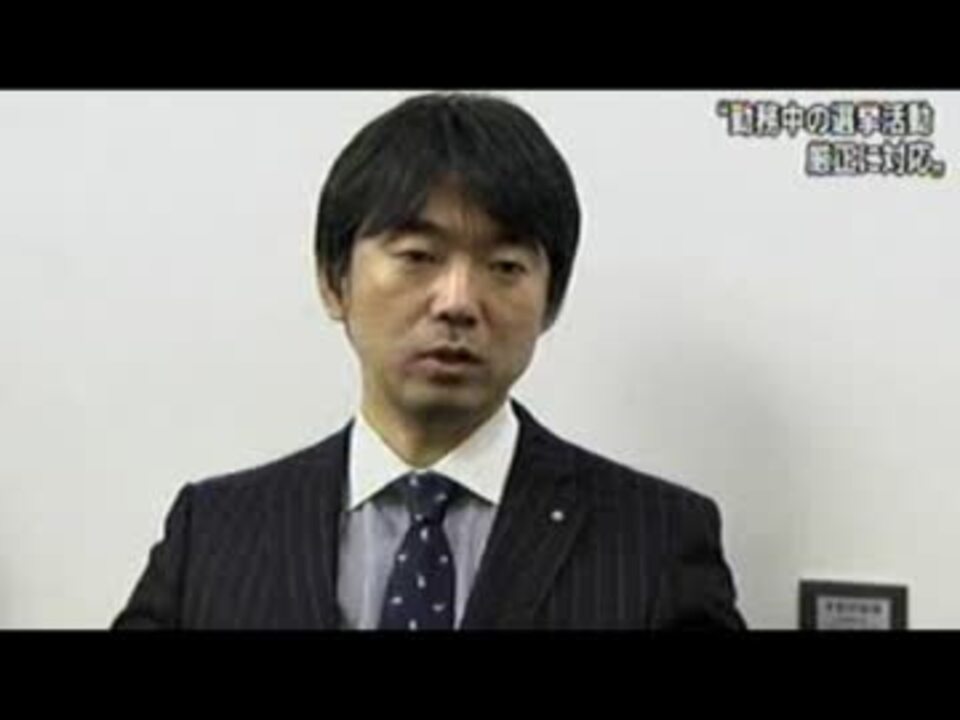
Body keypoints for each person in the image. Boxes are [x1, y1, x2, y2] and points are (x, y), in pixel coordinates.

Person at [112, 92, 747, 630]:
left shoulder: (658, 541)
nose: (458, 302)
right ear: (334, 281)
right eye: (418, 256)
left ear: (550, 301)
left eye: (505, 266)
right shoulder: (212, 533)